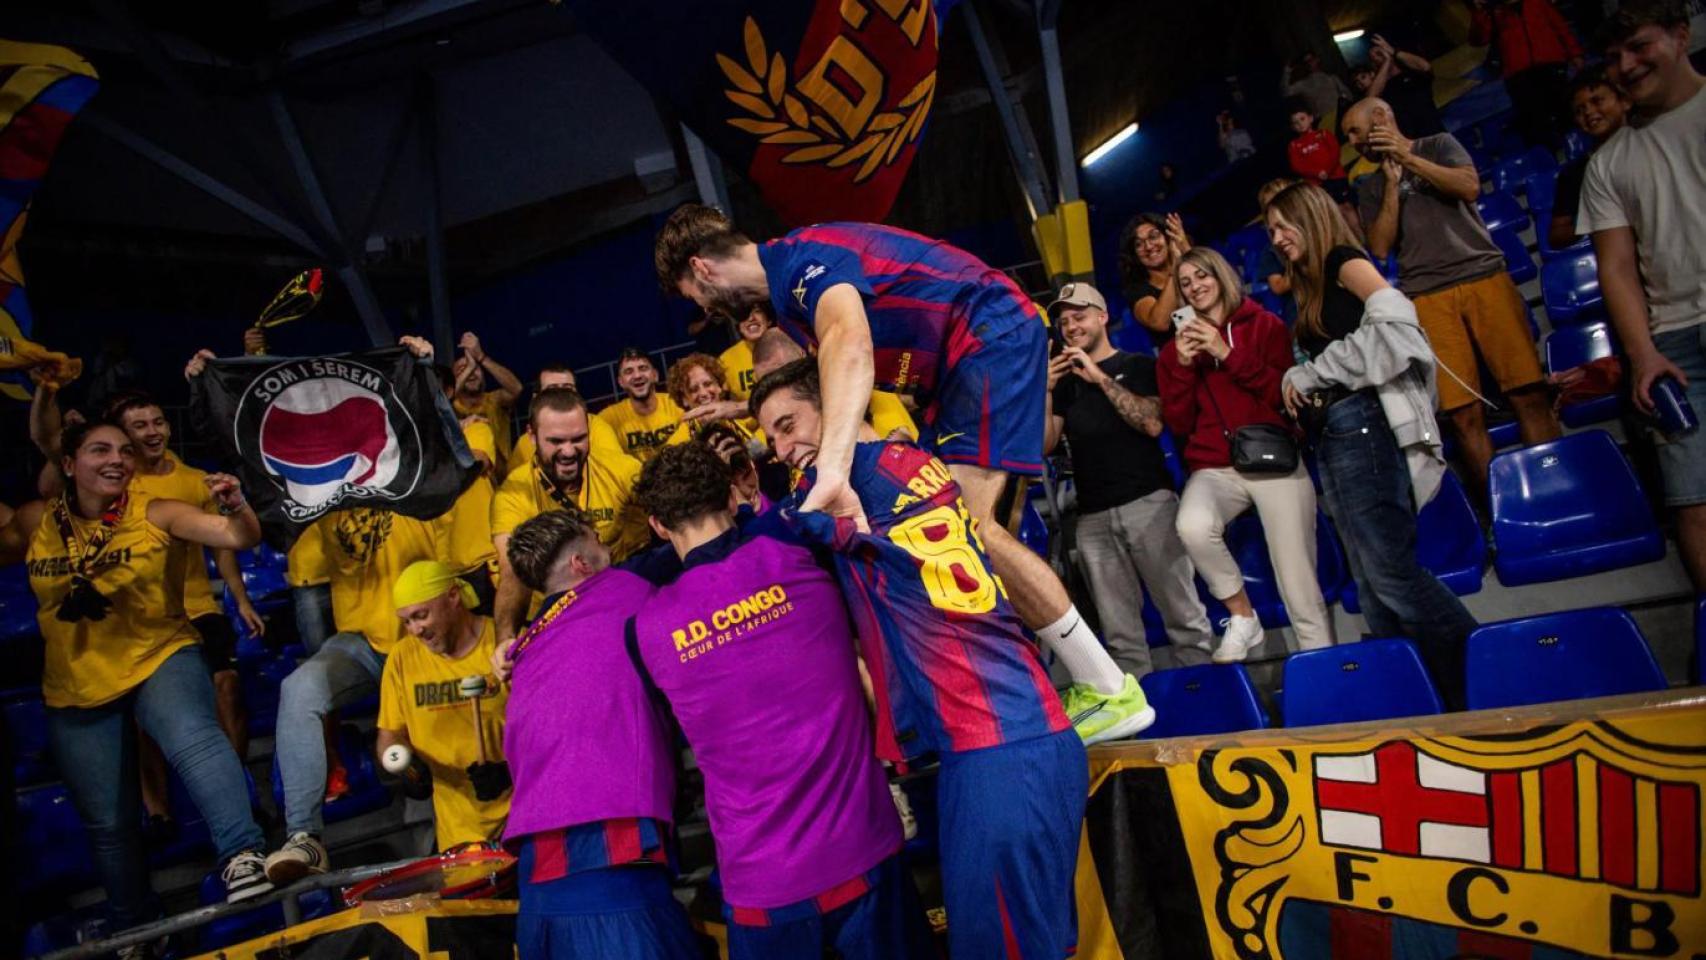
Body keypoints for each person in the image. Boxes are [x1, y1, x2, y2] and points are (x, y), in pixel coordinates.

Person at [656, 205, 1148, 738]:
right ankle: (1047, 689)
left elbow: (850, 344)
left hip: (985, 334)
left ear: (703, 269)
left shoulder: (801, 262)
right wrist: (747, 414)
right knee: (968, 534)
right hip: (957, 366)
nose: (705, 307)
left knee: (963, 530)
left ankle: (1106, 686)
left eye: (695, 296)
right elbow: (819, 375)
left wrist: (834, 471)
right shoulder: (788, 296)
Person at [753, 361, 1088, 957]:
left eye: (787, 426)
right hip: (1016, 735)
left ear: (835, 402)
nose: (779, 450)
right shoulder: (910, 460)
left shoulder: (845, 486)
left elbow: (754, 544)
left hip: (997, 752)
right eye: (771, 438)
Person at [627, 444, 929, 959]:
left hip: (761, 886)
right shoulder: (797, 551)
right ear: (730, 494)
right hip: (861, 854)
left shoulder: (645, 627)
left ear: (657, 525)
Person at [0, 422, 275, 936]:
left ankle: (243, 854)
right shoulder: (37, 521)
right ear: (67, 464)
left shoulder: (155, 511)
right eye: (100, 450)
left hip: (158, 654)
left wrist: (235, 504)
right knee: (109, 822)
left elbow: (239, 536)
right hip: (75, 683)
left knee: (195, 738)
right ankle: (134, 930)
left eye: (125, 452)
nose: (117, 460)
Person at [1266, 183, 1479, 706]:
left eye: (1281, 225)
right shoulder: (1311, 284)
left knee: (1391, 572)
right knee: (1369, 582)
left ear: (1309, 217)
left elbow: (1396, 314)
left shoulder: (1342, 257)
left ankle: (1482, 668)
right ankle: (1413, 695)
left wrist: (1315, 371)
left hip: (1363, 425)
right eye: (1270, 230)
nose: (1275, 238)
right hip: (1336, 433)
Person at [495, 509, 699, 959]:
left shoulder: (528, 645)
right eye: (599, 543)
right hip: (611, 831)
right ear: (581, 565)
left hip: (535, 848)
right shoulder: (620, 587)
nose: (610, 551)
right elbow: (696, 549)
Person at [1345, 96, 1561, 504]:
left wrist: (1407, 158)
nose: (1352, 142)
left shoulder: (1439, 145)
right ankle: (1504, 511)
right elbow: (1379, 247)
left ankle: (1555, 490)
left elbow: (1468, 186)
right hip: (1427, 295)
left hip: (1483, 276)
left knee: (1528, 394)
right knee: (1462, 414)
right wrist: (1391, 185)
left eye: (1355, 131)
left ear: (1379, 117)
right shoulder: (1371, 186)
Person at [1579, 0, 1706, 592]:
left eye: (1639, 46)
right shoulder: (1608, 164)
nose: (1626, 66)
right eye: (1613, 57)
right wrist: (1643, 353)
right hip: (1678, 343)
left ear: (1680, 36)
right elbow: (1618, 268)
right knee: (1695, 504)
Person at [1157, 248, 1336, 660]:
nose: (1195, 287)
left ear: (1221, 277)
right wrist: (1184, 366)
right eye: (1185, 283)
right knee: (1192, 525)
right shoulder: (1173, 353)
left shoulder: (1265, 326)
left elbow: (1281, 395)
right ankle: (1242, 616)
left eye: (1202, 276)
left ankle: (1323, 671)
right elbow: (1179, 425)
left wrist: (1225, 353)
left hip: (1274, 459)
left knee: (1298, 583)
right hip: (1217, 467)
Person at [1045, 282, 1215, 677]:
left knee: (1184, 619)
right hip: (1093, 518)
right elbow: (1044, 444)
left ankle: (1208, 701)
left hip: (1148, 505)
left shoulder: (1138, 366)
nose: (1071, 327)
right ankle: (1145, 722)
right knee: (1121, 638)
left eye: (1080, 316)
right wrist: (1048, 391)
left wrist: (1100, 378)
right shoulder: (1064, 385)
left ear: (1102, 317)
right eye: (1064, 321)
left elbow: (1153, 424)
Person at [491, 388, 648, 645]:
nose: (568, 451)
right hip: (557, 618)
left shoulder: (620, 469)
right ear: (532, 435)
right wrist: (506, 639)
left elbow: (671, 505)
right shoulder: (514, 493)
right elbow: (512, 572)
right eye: (556, 441)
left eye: (578, 439)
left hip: (619, 602)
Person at [377, 561, 511, 851]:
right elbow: (389, 736)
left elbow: (558, 734)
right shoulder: (402, 658)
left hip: (524, 818)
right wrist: (409, 769)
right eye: (406, 621)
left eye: (421, 615)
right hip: (459, 835)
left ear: (453, 597)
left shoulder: (503, 646)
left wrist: (512, 771)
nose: (415, 629)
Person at [402, 336, 501, 612]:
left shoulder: (476, 430)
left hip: (482, 566)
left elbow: (475, 462)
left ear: (447, 393)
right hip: (440, 573)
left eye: (429, 390)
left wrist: (426, 360)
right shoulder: (415, 450)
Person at [1470, 0, 1585, 148]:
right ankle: (1547, 159)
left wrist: (1575, 53)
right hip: (1518, 74)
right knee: (1534, 122)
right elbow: (1478, 39)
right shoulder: (1493, 12)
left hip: (1551, 64)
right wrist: (1480, 12)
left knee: (1565, 110)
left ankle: (1579, 148)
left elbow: (1559, 26)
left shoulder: (1537, 2)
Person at [1551, 66, 1631, 250]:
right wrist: (1600, 219)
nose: (1588, 112)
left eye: (1597, 101)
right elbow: (1556, 235)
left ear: (1624, 100)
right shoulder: (1576, 173)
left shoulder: (1654, 140)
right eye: (1580, 110)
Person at [505, 364, 623, 476]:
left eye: (568, 389)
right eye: (552, 390)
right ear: (536, 397)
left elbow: (615, 469)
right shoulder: (523, 443)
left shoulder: (596, 425)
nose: (561, 395)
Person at [597, 348, 685, 463]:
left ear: (655, 375)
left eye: (643, 368)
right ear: (621, 382)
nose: (637, 375)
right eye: (629, 371)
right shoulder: (607, 419)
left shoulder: (678, 404)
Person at [449, 331, 524, 462]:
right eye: (462, 369)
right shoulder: (449, 408)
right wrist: (471, 366)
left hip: (501, 479)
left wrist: (481, 357)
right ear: (454, 379)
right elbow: (437, 407)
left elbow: (516, 389)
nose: (471, 373)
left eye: (476, 369)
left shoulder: (495, 399)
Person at [1118, 212, 1193, 341]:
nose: (1148, 246)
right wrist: (1175, 270)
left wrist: (1184, 248)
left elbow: (1221, 292)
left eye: (1153, 236)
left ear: (1168, 238)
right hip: (1178, 355)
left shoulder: (1190, 269)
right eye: (1139, 244)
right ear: (1134, 254)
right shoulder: (1137, 290)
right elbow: (1160, 323)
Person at [1350, 34, 1443, 137]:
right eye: (1373, 58)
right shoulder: (1383, 89)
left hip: (1438, 134)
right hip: (1413, 144)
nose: (1377, 58)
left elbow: (1425, 67)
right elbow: (1370, 99)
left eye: (1379, 53)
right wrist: (1386, 62)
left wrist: (1393, 51)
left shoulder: (1411, 74)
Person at [663, 352, 758, 446]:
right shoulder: (679, 443)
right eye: (694, 390)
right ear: (684, 399)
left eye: (708, 384)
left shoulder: (744, 418)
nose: (703, 393)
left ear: (719, 387)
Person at [1255, 178, 1301, 325]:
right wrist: (1303, 266)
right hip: (1299, 318)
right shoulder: (1271, 251)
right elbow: (1277, 286)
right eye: (1269, 206)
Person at [1286, 98, 1349, 190]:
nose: (1300, 124)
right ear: (1292, 127)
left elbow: (1335, 152)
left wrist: (1327, 171)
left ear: (1310, 118)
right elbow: (1297, 166)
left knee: (1346, 202)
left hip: (1336, 176)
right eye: (1296, 123)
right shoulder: (1294, 145)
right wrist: (1317, 173)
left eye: (1302, 119)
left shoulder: (1324, 134)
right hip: (1315, 184)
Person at [1283, 50, 1354, 130]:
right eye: (1306, 62)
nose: (1309, 64)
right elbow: (1286, 92)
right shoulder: (1303, 84)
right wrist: (1287, 71)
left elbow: (1348, 95)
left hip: (1341, 116)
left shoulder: (1331, 77)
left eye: (1311, 60)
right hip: (1322, 121)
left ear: (1317, 59)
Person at [718, 304, 774, 401]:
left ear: (769, 320)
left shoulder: (788, 345)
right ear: (739, 327)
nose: (751, 318)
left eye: (757, 311)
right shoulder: (726, 359)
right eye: (744, 314)